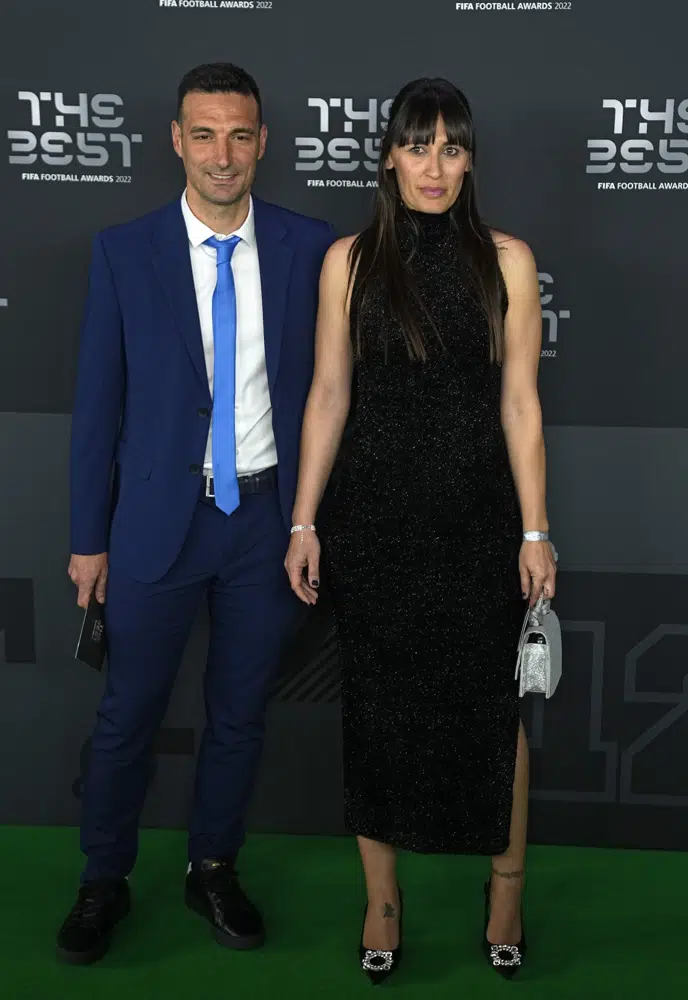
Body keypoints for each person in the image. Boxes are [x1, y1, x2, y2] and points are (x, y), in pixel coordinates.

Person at [57, 62, 335, 965]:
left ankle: (213, 865)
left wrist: (306, 519)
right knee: (128, 712)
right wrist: (87, 542)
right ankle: (104, 878)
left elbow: (330, 396)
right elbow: (98, 408)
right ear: (176, 139)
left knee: (240, 713)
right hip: (152, 525)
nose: (223, 154)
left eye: (241, 134)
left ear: (263, 142)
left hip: (264, 525)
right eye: (205, 134)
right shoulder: (123, 251)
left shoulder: (311, 248)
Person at [285, 77, 556, 982]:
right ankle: (383, 900)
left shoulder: (507, 261)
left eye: (450, 147)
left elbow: (520, 404)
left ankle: (506, 888)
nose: (433, 166)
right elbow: (330, 395)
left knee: (492, 712)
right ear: (390, 155)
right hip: (378, 524)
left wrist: (534, 531)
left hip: (479, 525)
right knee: (378, 713)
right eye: (417, 145)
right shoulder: (350, 262)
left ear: (470, 157)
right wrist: (304, 520)